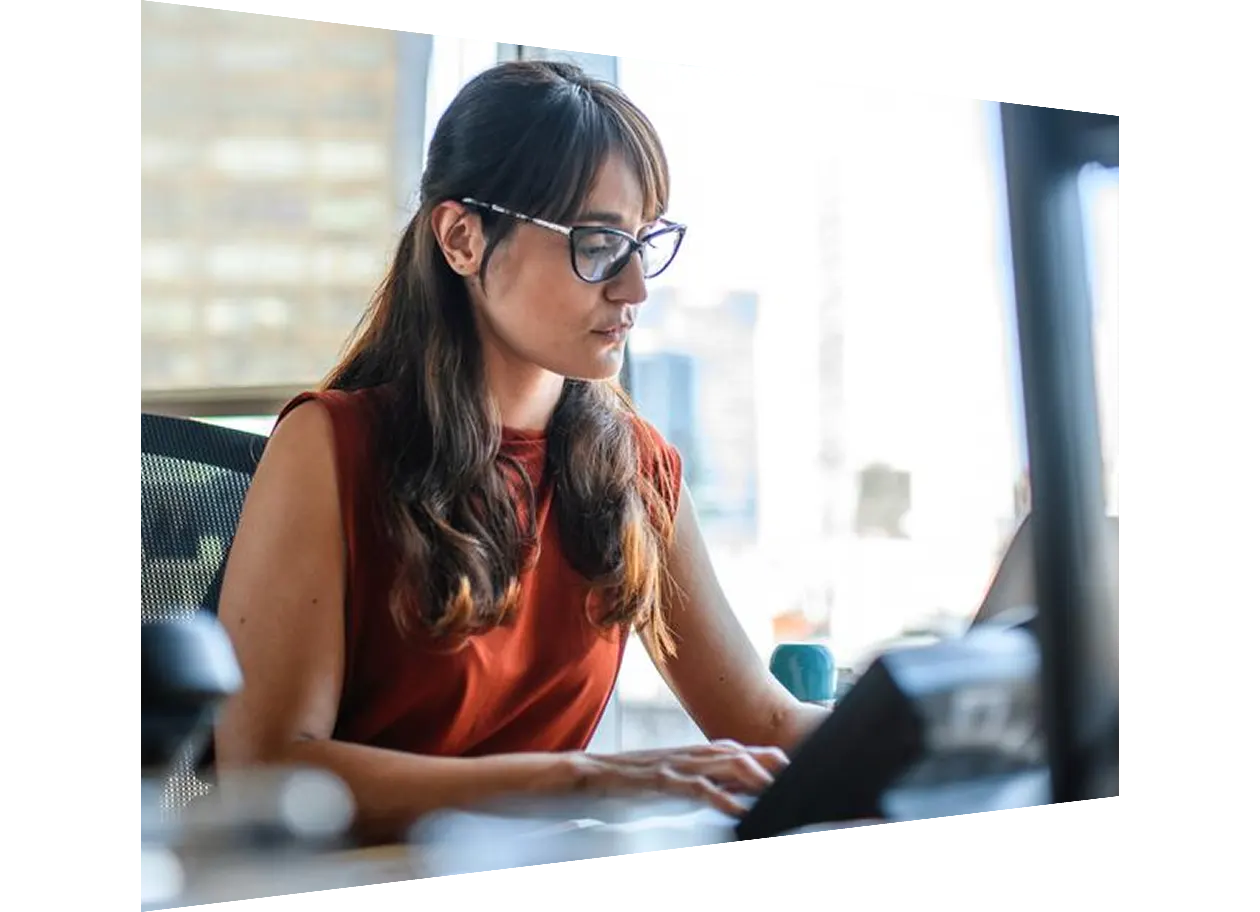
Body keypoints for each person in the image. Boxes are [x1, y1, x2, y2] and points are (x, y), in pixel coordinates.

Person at [214, 59, 829, 845]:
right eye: (601, 242)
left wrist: (946, 727)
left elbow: (763, 719)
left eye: (645, 242)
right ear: (463, 238)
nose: (636, 287)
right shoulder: (331, 444)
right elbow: (268, 768)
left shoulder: (633, 466)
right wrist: (583, 780)